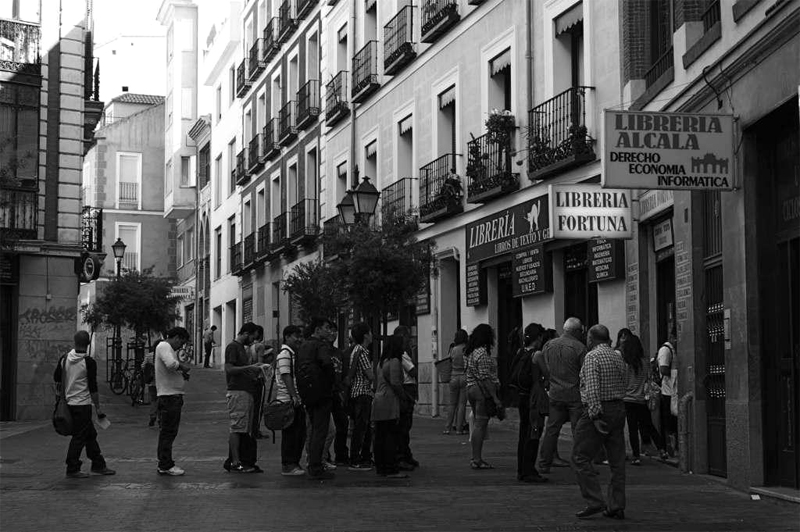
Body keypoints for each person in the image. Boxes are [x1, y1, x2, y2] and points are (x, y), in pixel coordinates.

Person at [573, 324, 628, 520]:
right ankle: (616, 504)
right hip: (618, 408)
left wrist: (595, 416)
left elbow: (593, 388)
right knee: (617, 461)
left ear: (591, 338)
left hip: (599, 409)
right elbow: (625, 381)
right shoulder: (617, 356)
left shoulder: (592, 357)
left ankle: (595, 500)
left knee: (580, 456)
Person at [53, 330, 115, 478]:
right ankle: (72, 467)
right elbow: (93, 388)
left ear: (74, 342)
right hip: (82, 404)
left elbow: (56, 378)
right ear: (88, 344)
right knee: (80, 437)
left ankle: (98, 464)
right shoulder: (88, 362)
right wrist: (98, 408)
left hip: (69, 404)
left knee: (90, 434)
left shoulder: (64, 358)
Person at [537, 317, 587, 474]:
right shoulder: (579, 347)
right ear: (577, 331)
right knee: (578, 430)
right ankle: (581, 463)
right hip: (574, 394)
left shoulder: (548, 345)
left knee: (551, 430)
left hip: (555, 393)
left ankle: (544, 462)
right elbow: (585, 373)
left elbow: (544, 367)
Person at [616, 328, 667, 464]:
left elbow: (621, 380)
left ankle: (636, 456)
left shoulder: (625, 363)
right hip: (641, 399)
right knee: (649, 425)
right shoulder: (645, 362)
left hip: (627, 399)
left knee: (633, 429)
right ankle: (662, 449)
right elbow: (649, 379)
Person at [296, 316, 337, 480]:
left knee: (314, 430)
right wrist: (332, 382)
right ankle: (316, 466)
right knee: (321, 430)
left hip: (307, 393)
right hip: (321, 393)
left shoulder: (304, 346)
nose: (329, 331)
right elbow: (327, 364)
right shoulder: (320, 345)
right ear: (317, 329)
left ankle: (313, 463)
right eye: (326, 327)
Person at [224, 322, 263, 473]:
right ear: (246, 333)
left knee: (244, 427)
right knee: (237, 427)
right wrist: (249, 368)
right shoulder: (233, 347)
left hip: (246, 390)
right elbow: (229, 369)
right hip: (237, 391)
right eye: (253, 337)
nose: (253, 341)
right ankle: (235, 461)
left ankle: (242, 459)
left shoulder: (241, 348)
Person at [513, 323, 548, 483]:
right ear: (539, 337)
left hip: (522, 396)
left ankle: (522, 468)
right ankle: (529, 470)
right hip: (534, 398)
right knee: (534, 431)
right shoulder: (537, 354)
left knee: (523, 433)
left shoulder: (521, 352)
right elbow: (547, 375)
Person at [154, 326, 191, 476]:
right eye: (181, 343)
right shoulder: (164, 346)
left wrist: (181, 373)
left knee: (169, 432)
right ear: (176, 338)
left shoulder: (167, 348)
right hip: (169, 396)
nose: (180, 347)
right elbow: (170, 364)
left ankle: (165, 462)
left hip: (172, 395)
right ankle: (165, 464)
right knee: (168, 432)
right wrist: (183, 367)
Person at [372, 335, 410, 478]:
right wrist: (404, 397)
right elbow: (395, 383)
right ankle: (390, 467)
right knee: (390, 435)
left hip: (379, 400)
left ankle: (381, 466)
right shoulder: (394, 361)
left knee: (381, 435)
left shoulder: (382, 362)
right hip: (389, 401)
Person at [465, 323, 501, 470]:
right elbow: (485, 378)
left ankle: (475, 457)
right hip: (481, 391)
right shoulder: (483, 354)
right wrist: (495, 397)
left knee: (477, 424)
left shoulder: (469, 352)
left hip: (471, 388)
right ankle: (477, 459)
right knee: (480, 424)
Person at [276, 325, 306, 476]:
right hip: (288, 400)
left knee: (298, 433)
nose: (299, 339)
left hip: (294, 399)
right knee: (291, 434)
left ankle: (294, 463)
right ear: (287, 337)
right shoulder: (285, 354)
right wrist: (294, 396)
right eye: (296, 336)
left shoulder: (292, 354)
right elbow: (286, 375)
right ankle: (288, 465)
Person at [347, 322, 375, 471]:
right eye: (370, 332)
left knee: (361, 427)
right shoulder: (362, 352)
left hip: (357, 392)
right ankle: (355, 458)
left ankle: (363, 457)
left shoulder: (356, 350)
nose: (372, 335)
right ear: (365, 335)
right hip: (362, 392)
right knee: (361, 428)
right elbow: (370, 375)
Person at [394, 325, 419, 470]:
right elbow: (413, 371)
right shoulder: (402, 354)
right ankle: (401, 455)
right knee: (404, 425)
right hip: (406, 387)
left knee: (406, 424)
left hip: (409, 388)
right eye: (407, 336)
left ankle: (406, 453)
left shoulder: (404, 352)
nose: (409, 340)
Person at [328, 322, 350, 466]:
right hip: (325, 392)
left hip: (337, 392)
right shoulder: (321, 350)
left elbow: (345, 374)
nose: (333, 334)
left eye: (335, 331)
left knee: (342, 422)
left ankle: (341, 454)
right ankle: (324, 455)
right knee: (325, 427)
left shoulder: (339, 353)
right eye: (330, 330)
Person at [443, 329, 469, 435]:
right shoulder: (466, 349)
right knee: (462, 404)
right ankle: (459, 429)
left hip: (453, 376)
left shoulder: (453, 349)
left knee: (452, 404)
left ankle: (447, 428)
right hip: (464, 377)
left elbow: (449, 361)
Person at [657, 329, 678, 457]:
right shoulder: (666, 350)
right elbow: (663, 369)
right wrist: (676, 373)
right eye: (675, 338)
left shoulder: (674, 349)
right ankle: (670, 448)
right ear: (671, 337)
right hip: (668, 392)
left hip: (673, 391)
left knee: (673, 421)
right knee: (669, 422)